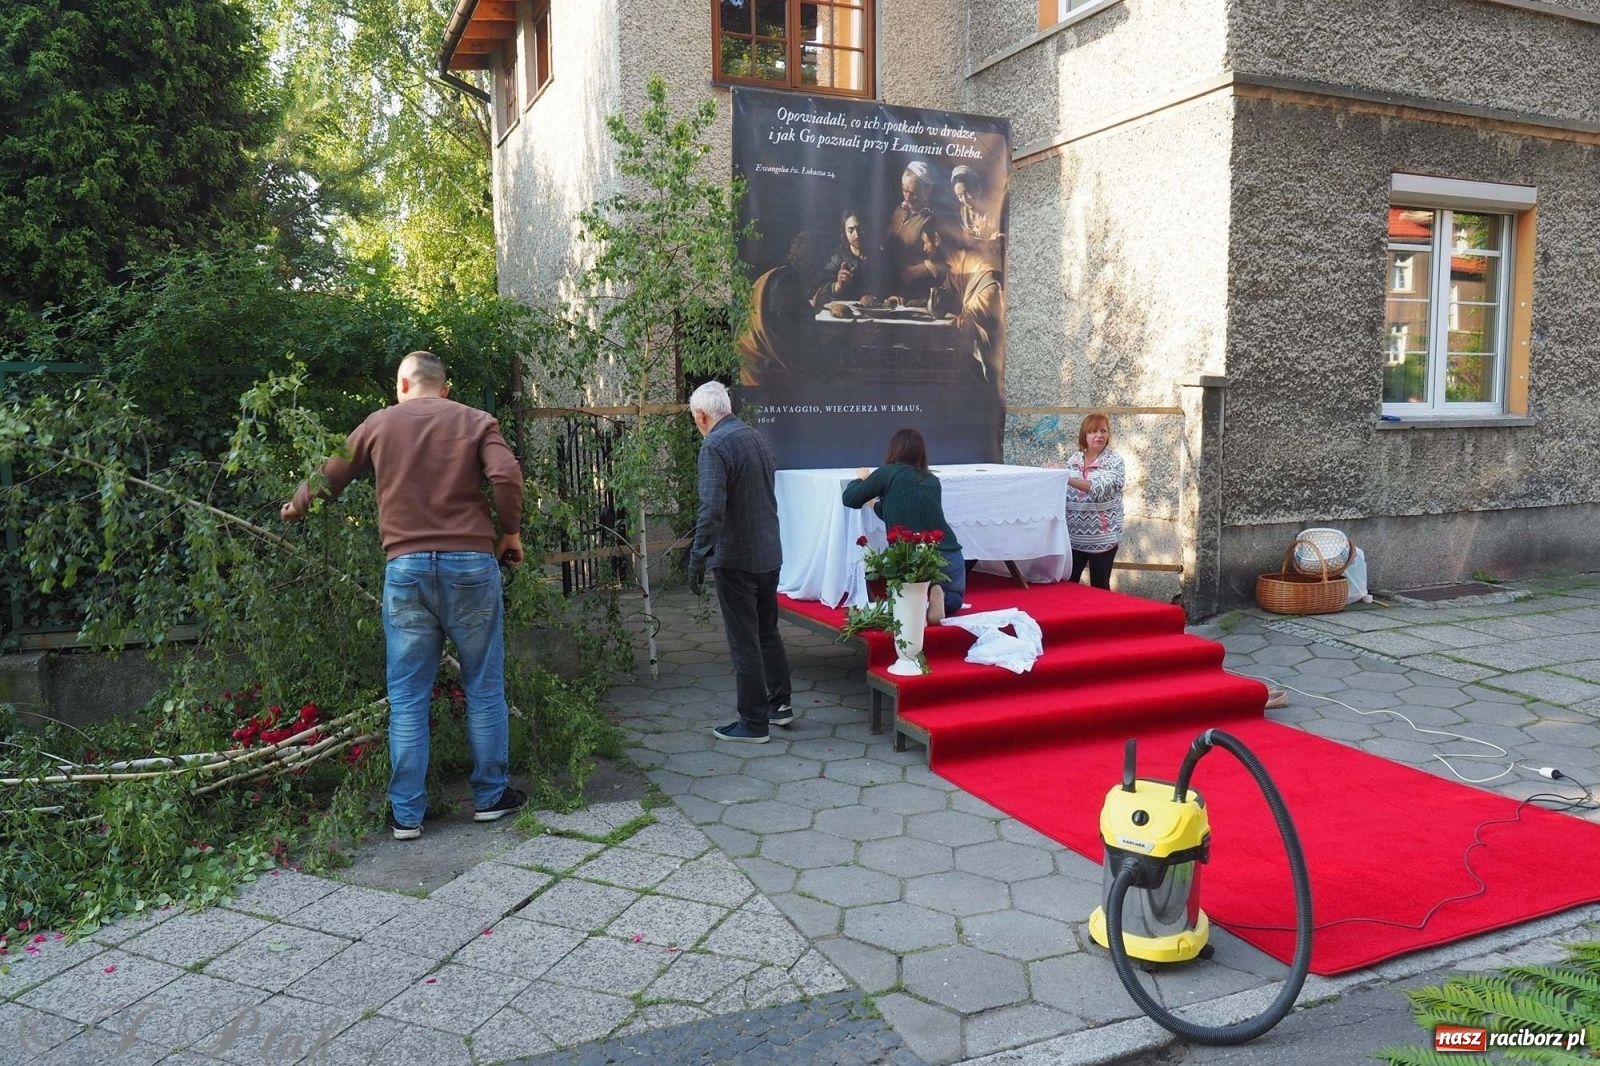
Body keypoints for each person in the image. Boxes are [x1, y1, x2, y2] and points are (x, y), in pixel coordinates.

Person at [280, 351, 527, 840]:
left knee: (409, 696)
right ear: (445, 386)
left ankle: (407, 815)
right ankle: (490, 797)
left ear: (402, 386)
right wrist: (511, 533)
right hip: (471, 567)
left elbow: (333, 471)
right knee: (483, 685)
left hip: (406, 571)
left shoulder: (378, 424)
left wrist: (297, 505)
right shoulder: (478, 421)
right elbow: (506, 476)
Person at [688, 381, 793, 743]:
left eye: (695, 420)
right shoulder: (757, 437)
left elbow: (712, 509)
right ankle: (780, 706)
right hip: (769, 552)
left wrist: (698, 555)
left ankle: (753, 724)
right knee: (767, 631)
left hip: (736, 558)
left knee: (744, 640)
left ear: (702, 415)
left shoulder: (714, 446)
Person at [841, 428, 966, 621]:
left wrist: (862, 478)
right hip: (949, 556)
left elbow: (850, 498)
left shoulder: (888, 473)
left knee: (902, 601)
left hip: (910, 558)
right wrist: (874, 504)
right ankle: (940, 592)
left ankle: (917, 604)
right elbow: (900, 512)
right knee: (954, 599)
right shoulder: (932, 480)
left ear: (894, 450)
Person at [919, 221, 1005, 384]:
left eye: (925, 243)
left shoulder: (977, 261)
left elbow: (992, 291)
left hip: (993, 349)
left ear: (937, 239)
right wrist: (914, 302)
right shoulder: (953, 269)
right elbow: (945, 298)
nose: (924, 249)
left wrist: (970, 313)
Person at [737, 229, 826, 385]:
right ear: (807, 262)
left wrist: (810, 309)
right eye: (818, 265)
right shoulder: (787, 281)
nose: (819, 272)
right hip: (761, 364)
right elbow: (784, 333)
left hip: (758, 355)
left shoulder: (783, 276)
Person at [1064, 412, 1126, 590]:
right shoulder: (1073, 460)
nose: (1099, 435)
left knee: (1099, 588)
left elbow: (1101, 489)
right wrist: (1053, 475)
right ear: (1085, 435)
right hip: (1072, 537)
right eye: (1093, 431)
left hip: (1102, 539)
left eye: (1103, 431)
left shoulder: (1114, 461)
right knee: (1067, 586)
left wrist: (1065, 478)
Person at [887, 161, 937, 297]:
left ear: (927, 190)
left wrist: (913, 271)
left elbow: (947, 263)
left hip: (918, 292)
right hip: (890, 287)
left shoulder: (934, 218)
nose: (908, 197)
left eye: (913, 193)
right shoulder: (898, 211)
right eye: (905, 191)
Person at [812, 209, 879, 307]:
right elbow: (821, 289)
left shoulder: (881, 257)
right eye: (851, 230)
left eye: (860, 229)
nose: (856, 235)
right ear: (844, 232)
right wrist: (838, 285)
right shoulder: (836, 258)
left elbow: (891, 285)